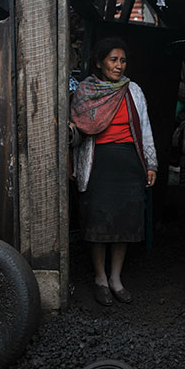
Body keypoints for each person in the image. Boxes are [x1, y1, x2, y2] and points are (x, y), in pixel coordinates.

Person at [70, 37, 158, 306]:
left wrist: (151, 163)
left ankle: (116, 279)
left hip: (129, 164)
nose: (119, 65)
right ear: (100, 62)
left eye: (122, 60)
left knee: (124, 223)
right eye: (113, 60)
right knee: (98, 223)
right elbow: (76, 131)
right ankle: (100, 278)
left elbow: (144, 129)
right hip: (99, 164)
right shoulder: (85, 92)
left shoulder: (133, 91)